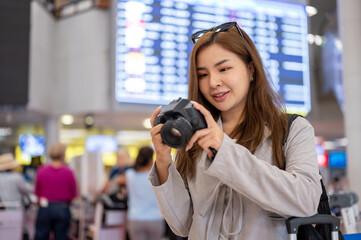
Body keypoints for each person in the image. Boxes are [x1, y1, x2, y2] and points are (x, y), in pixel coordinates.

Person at [148, 22, 322, 239]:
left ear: (250, 69)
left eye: (223, 69)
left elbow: (305, 201)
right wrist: (164, 163)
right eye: (202, 75)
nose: (213, 82)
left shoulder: (291, 129)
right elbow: (183, 225)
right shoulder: (195, 135)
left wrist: (223, 148)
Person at [117, 146, 165, 240]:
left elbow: (118, 182)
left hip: (135, 218)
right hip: (155, 218)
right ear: (151, 159)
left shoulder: (129, 174)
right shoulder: (156, 174)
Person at [34, 142, 78, 240]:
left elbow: (37, 192)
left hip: (45, 209)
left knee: (41, 236)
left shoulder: (42, 170)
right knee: (61, 236)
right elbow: (74, 194)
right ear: (63, 155)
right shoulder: (68, 172)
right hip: (63, 208)